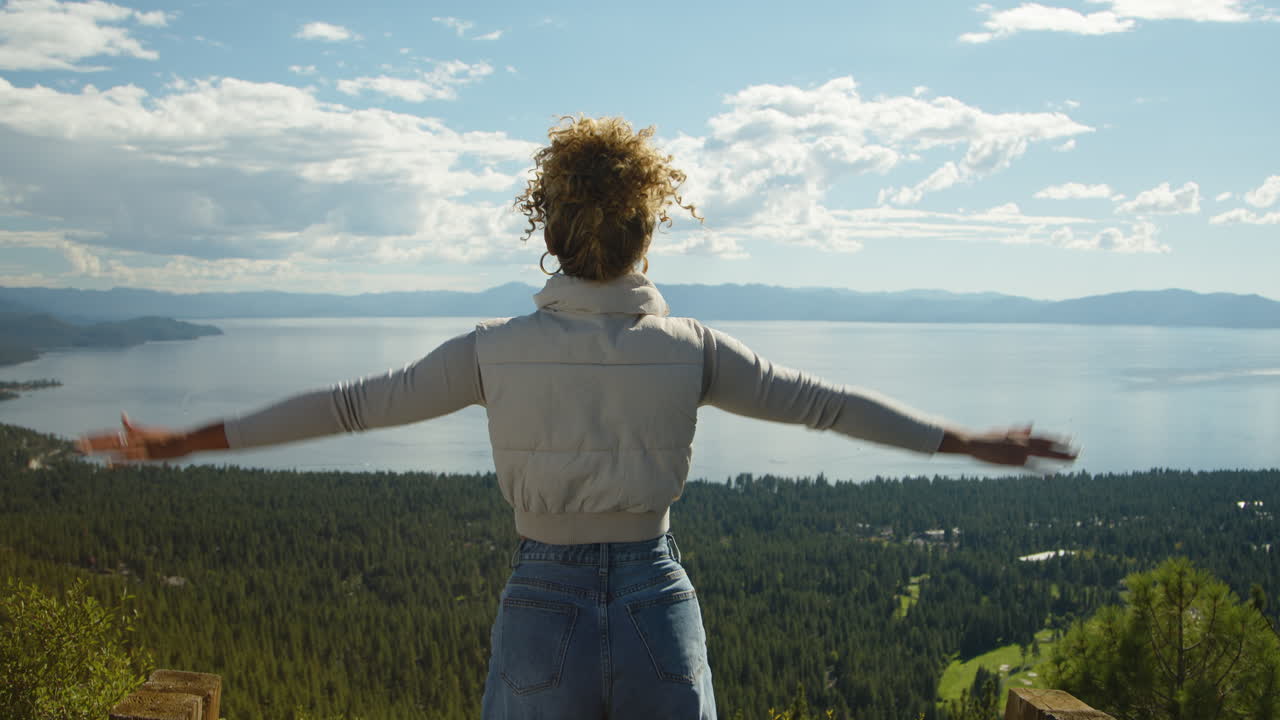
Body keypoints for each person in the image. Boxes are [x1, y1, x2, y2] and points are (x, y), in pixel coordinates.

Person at [79, 115, 1077, 720]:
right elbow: (826, 406)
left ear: (548, 237)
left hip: (540, 602)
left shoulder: (490, 349)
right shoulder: (689, 349)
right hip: (655, 595)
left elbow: (347, 408)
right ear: (646, 235)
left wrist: (182, 440)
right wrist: (963, 440)